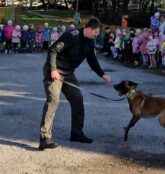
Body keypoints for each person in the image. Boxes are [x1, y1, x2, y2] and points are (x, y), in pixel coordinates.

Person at [38, 17, 111, 150]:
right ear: (88, 29)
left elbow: (92, 59)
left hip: (68, 73)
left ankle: (76, 133)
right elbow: (53, 50)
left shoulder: (90, 41)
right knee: (53, 101)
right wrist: (53, 70)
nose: (97, 35)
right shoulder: (71, 36)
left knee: (78, 99)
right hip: (54, 71)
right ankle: (45, 138)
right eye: (96, 32)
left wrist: (102, 74)